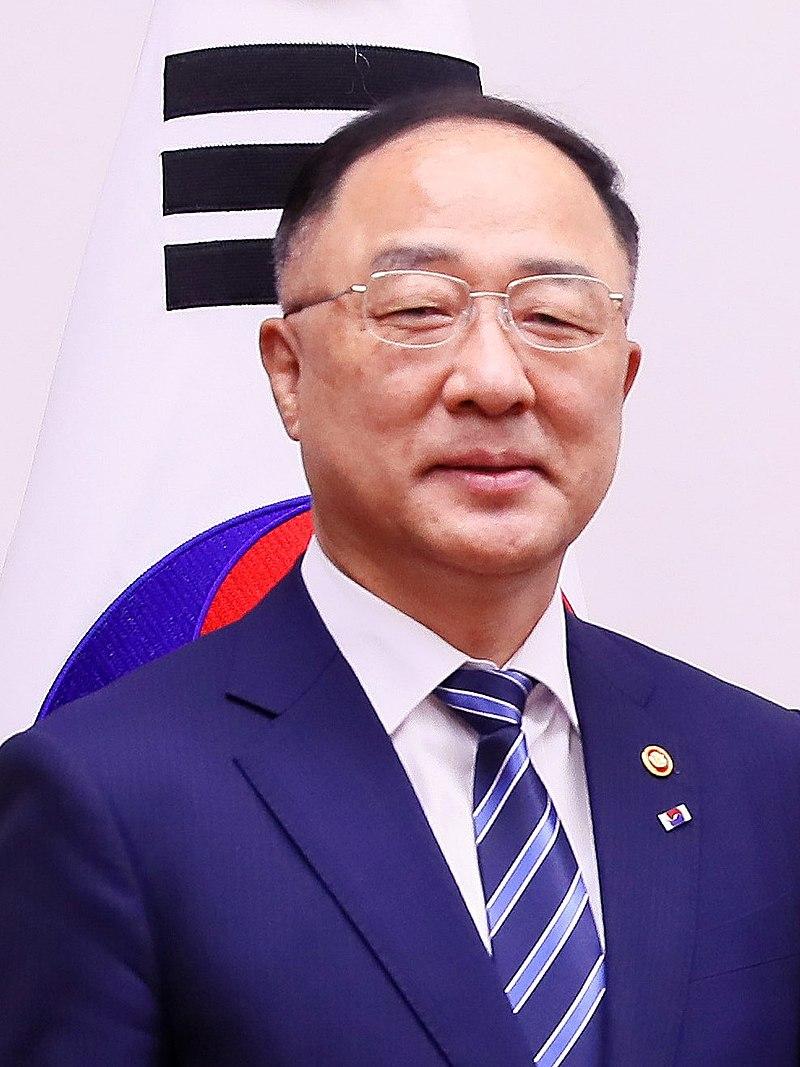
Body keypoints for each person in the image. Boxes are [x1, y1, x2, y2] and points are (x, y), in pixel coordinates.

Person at [1, 92, 798, 1067]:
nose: (495, 381)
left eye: (554, 316)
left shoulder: (767, 773)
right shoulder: (106, 796)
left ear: (621, 378)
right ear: (289, 373)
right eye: (418, 309)